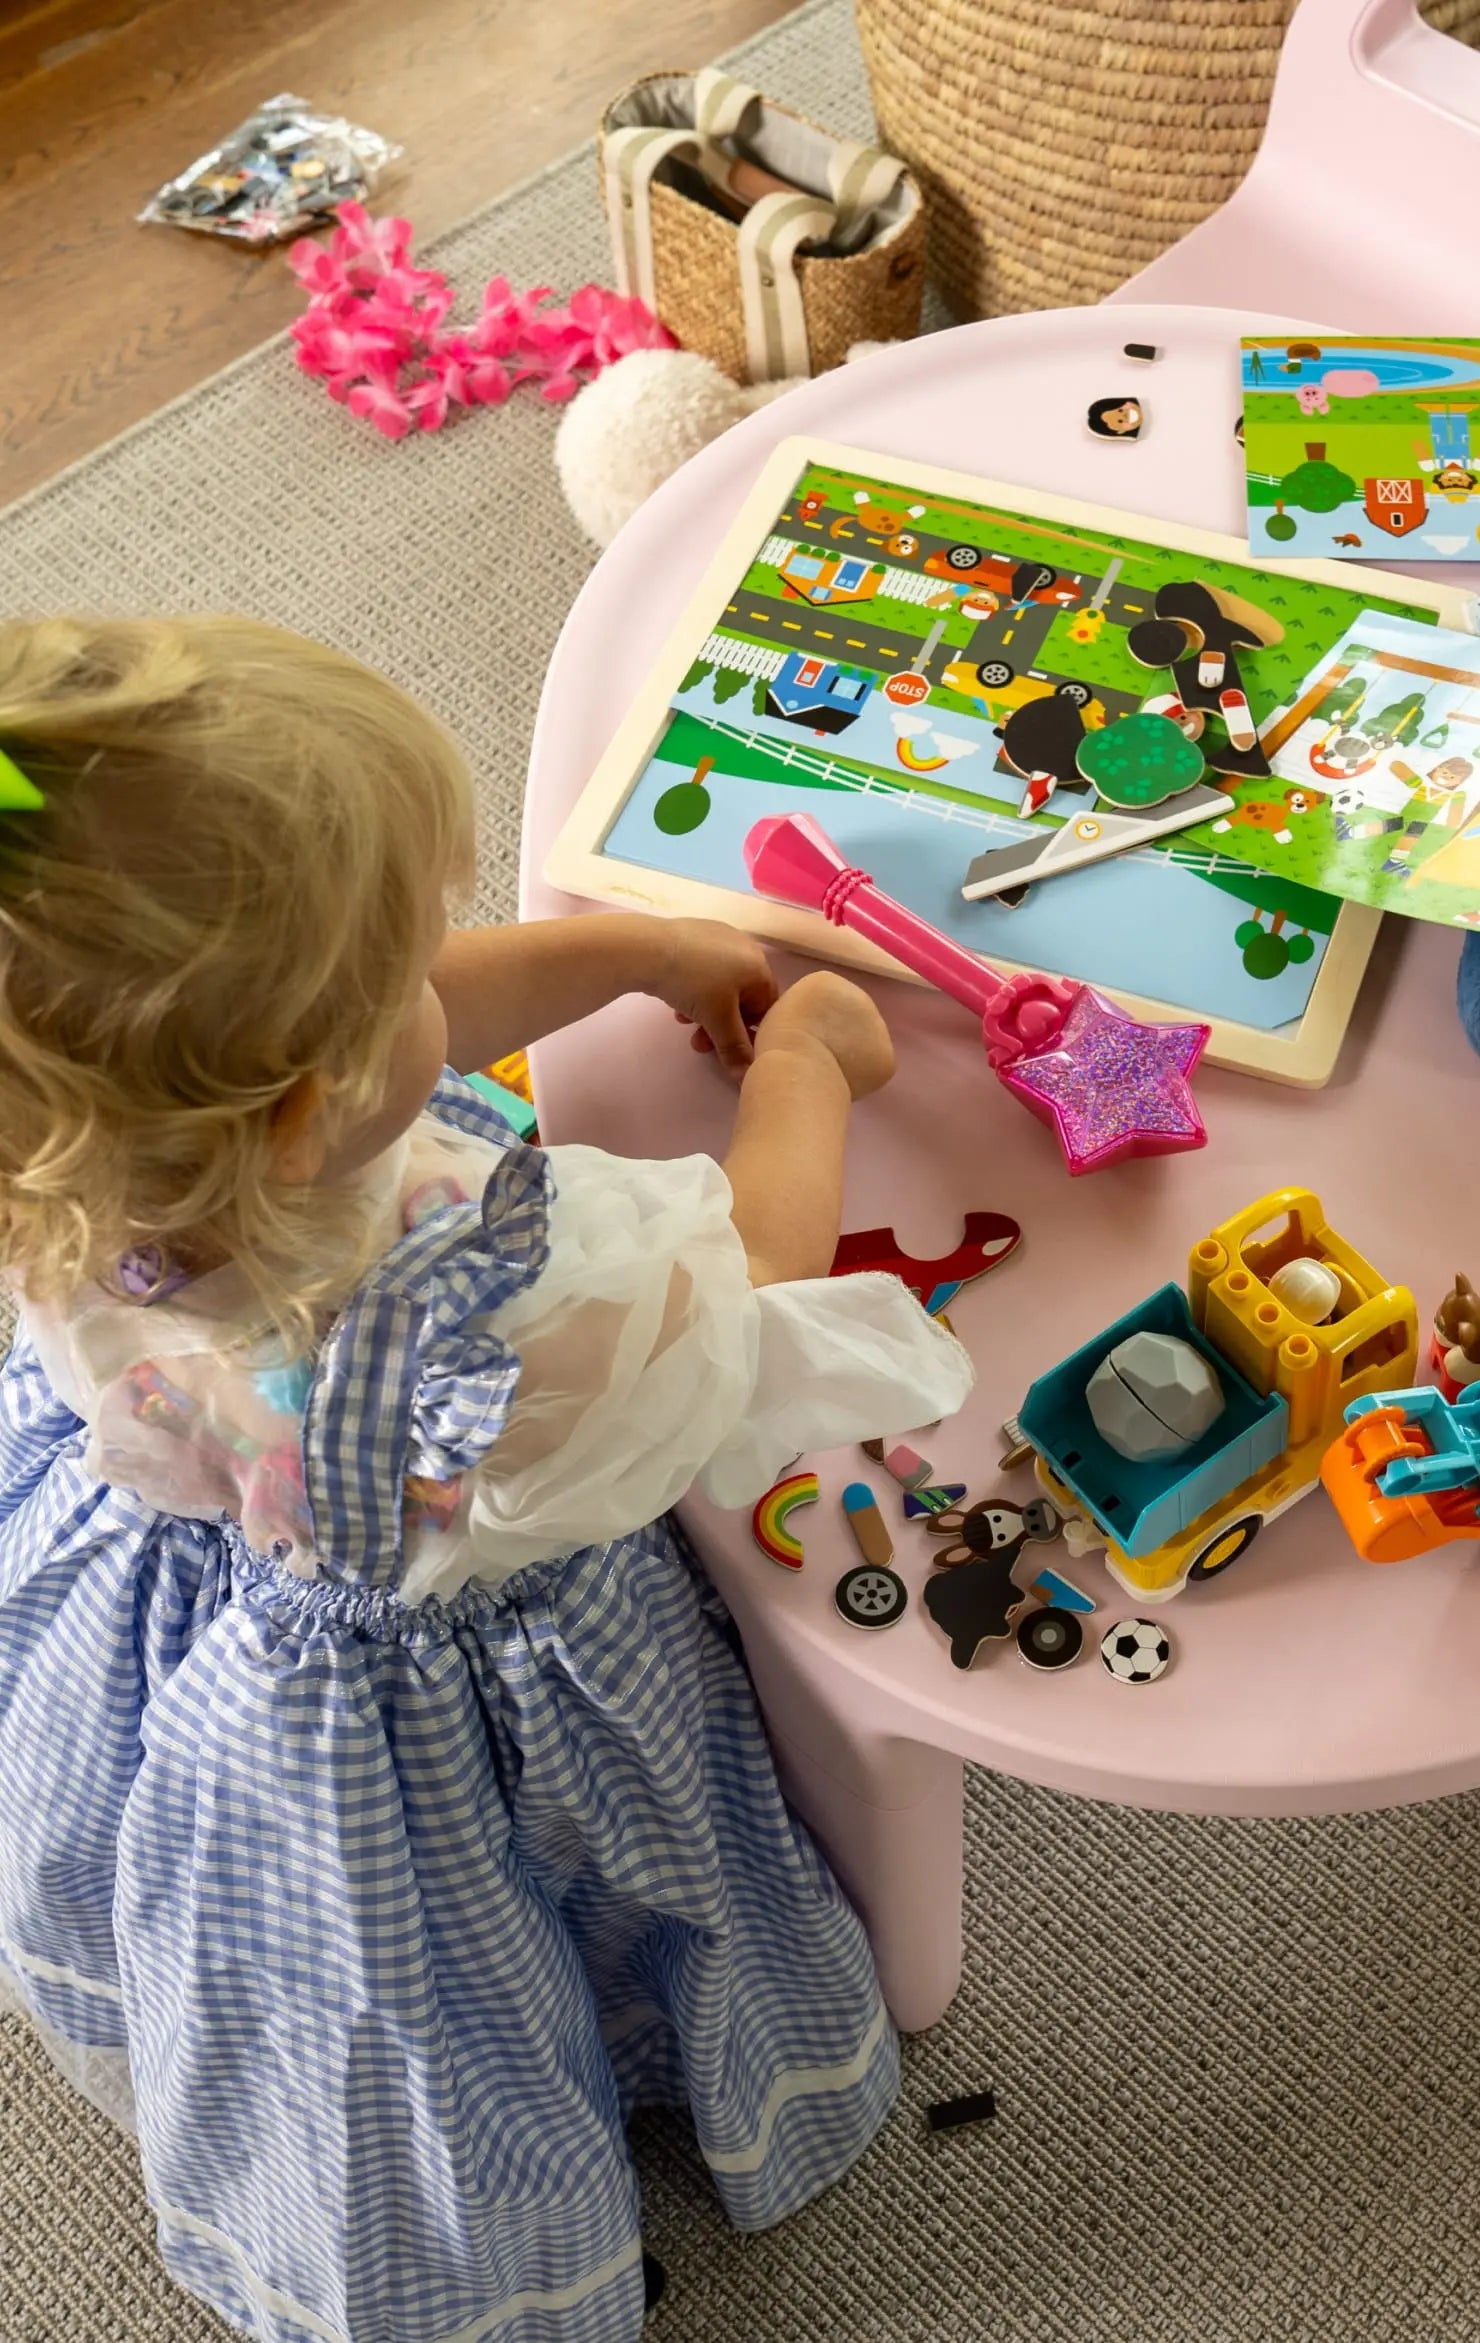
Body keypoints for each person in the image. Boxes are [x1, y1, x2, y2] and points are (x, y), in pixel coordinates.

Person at [0, 617, 975, 2343]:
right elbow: (745, 1276)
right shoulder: (503, 1296)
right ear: (313, 1107)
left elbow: (429, 1007)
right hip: (448, 1666)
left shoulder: (82, 1165)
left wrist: (648, 953)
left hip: (214, 1551)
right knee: (445, 1991)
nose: (437, 981)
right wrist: (808, 1068)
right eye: (397, 981)